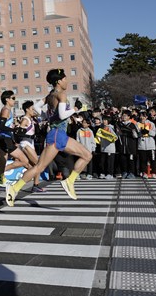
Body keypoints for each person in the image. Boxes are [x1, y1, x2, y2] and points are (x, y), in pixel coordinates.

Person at [6, 69, 92, 206]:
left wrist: (47, 117)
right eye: (65, 79)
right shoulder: (61, 94)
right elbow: (63, 115)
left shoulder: (50, 95)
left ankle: (69, 181)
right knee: (41, 166)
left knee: (86, 155)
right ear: (58, 81)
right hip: (57, 134)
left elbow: (36, 106)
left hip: (58, 134)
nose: (67, 81)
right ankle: (15, 188)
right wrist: (76, 110)